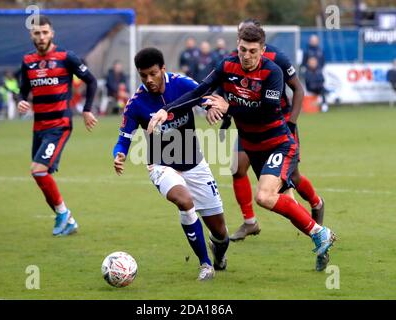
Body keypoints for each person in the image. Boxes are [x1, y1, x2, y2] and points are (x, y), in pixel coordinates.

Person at [148, 25, 337, 272]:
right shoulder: (227, 65)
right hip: (253, 147)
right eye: (242, 49)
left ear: (262, 50)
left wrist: (228, 109)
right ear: (237, 44)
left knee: (264, 197)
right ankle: (319, 235)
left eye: (252, 51)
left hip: (278, 144)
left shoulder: (272, 71)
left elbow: (266, 111)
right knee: (283, 201)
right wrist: (167, 110)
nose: (246, 55)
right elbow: (198, 92)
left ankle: (320, 230)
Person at [113, 47, 229, 281]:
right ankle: (205, 264)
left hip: (194, 163)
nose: (149, 80)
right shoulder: (136, 103)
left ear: (163, 69)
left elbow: (204, 96)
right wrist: (120, 154)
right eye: (143, 75)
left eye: (153, 73)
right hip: (161, 165)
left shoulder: (182, 83)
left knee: (220, 232)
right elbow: (123, 139)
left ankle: (218, 252)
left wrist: (212, 107)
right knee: (184, 202)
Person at [219, 19, 326, 263]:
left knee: (292, 180)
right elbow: (225, 87)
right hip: (247, 126)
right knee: (237, 168)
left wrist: (292, 122)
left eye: (249, 43)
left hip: (277, 127)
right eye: (240, 40)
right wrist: (225, 116)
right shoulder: (235, 59)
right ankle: (250, 222)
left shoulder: (277, 58)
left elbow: (298, 89)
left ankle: (316, 204)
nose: (244, 49)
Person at [17, 15, 98, 236]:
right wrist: (22, 100)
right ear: (31, 35)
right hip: (38, 127)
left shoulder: (66, 57)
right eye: (37, 33)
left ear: (52, 33)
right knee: (40, 175)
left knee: (38, 170)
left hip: (59, 125)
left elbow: (91, 80)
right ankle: (66, 219)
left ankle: (63, 214)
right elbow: (23, 88)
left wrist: (87, 109)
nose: (41, 36)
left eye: (45, 32)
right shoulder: (27, 61)